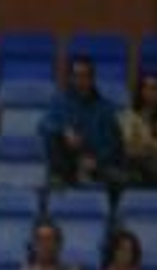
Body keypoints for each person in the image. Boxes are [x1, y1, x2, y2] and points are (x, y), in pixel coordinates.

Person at [39, 56, 123, 187]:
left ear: (92, 78)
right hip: (68, 163)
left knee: (117, 172)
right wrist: (64, 130)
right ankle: (59, 178)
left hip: (95, 162)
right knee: (52, 136)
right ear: (70, 78)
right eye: (76, 75)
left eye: (85, 75)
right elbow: (43, 125)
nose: (80, 80)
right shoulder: (59, 101)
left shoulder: (105, 107)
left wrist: (96, 160)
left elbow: (112, 142)